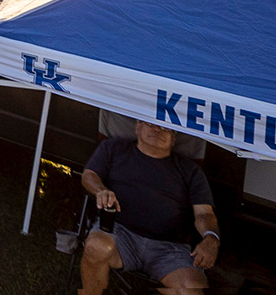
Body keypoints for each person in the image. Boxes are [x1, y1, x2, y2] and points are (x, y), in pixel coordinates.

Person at [79, 121, 220, 294]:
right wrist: (101, 190)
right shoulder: (114, 148)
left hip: (170, 248)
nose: (158, 130)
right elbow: (89, 175)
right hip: (119, 232)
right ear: (137, 127)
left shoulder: (191, 171)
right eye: (152, 124)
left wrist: (211, 237)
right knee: (96, 247)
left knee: (191, 288)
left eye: (166, 128)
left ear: (174, 138)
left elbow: (204, 213)